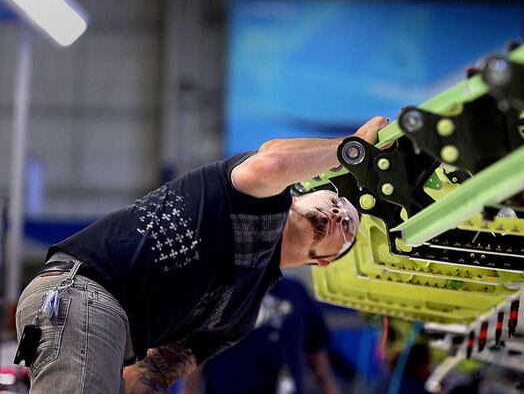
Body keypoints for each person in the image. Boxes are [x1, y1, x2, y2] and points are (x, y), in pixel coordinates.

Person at [13, 116, 389, 394]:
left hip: (111, 328)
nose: (339, 214)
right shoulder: (258, 198)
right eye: (335, 202)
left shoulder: (241, 313)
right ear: (299, 196)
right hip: (88, 293)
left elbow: (152, 371)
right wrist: (352, 147)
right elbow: (274, 161)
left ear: (324, 260)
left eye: (347, 227)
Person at [182, 276, 338, 394]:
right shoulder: (222, 292)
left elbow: (316, 351)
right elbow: (197, 355)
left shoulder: (296, 291)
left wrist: (329, 388)